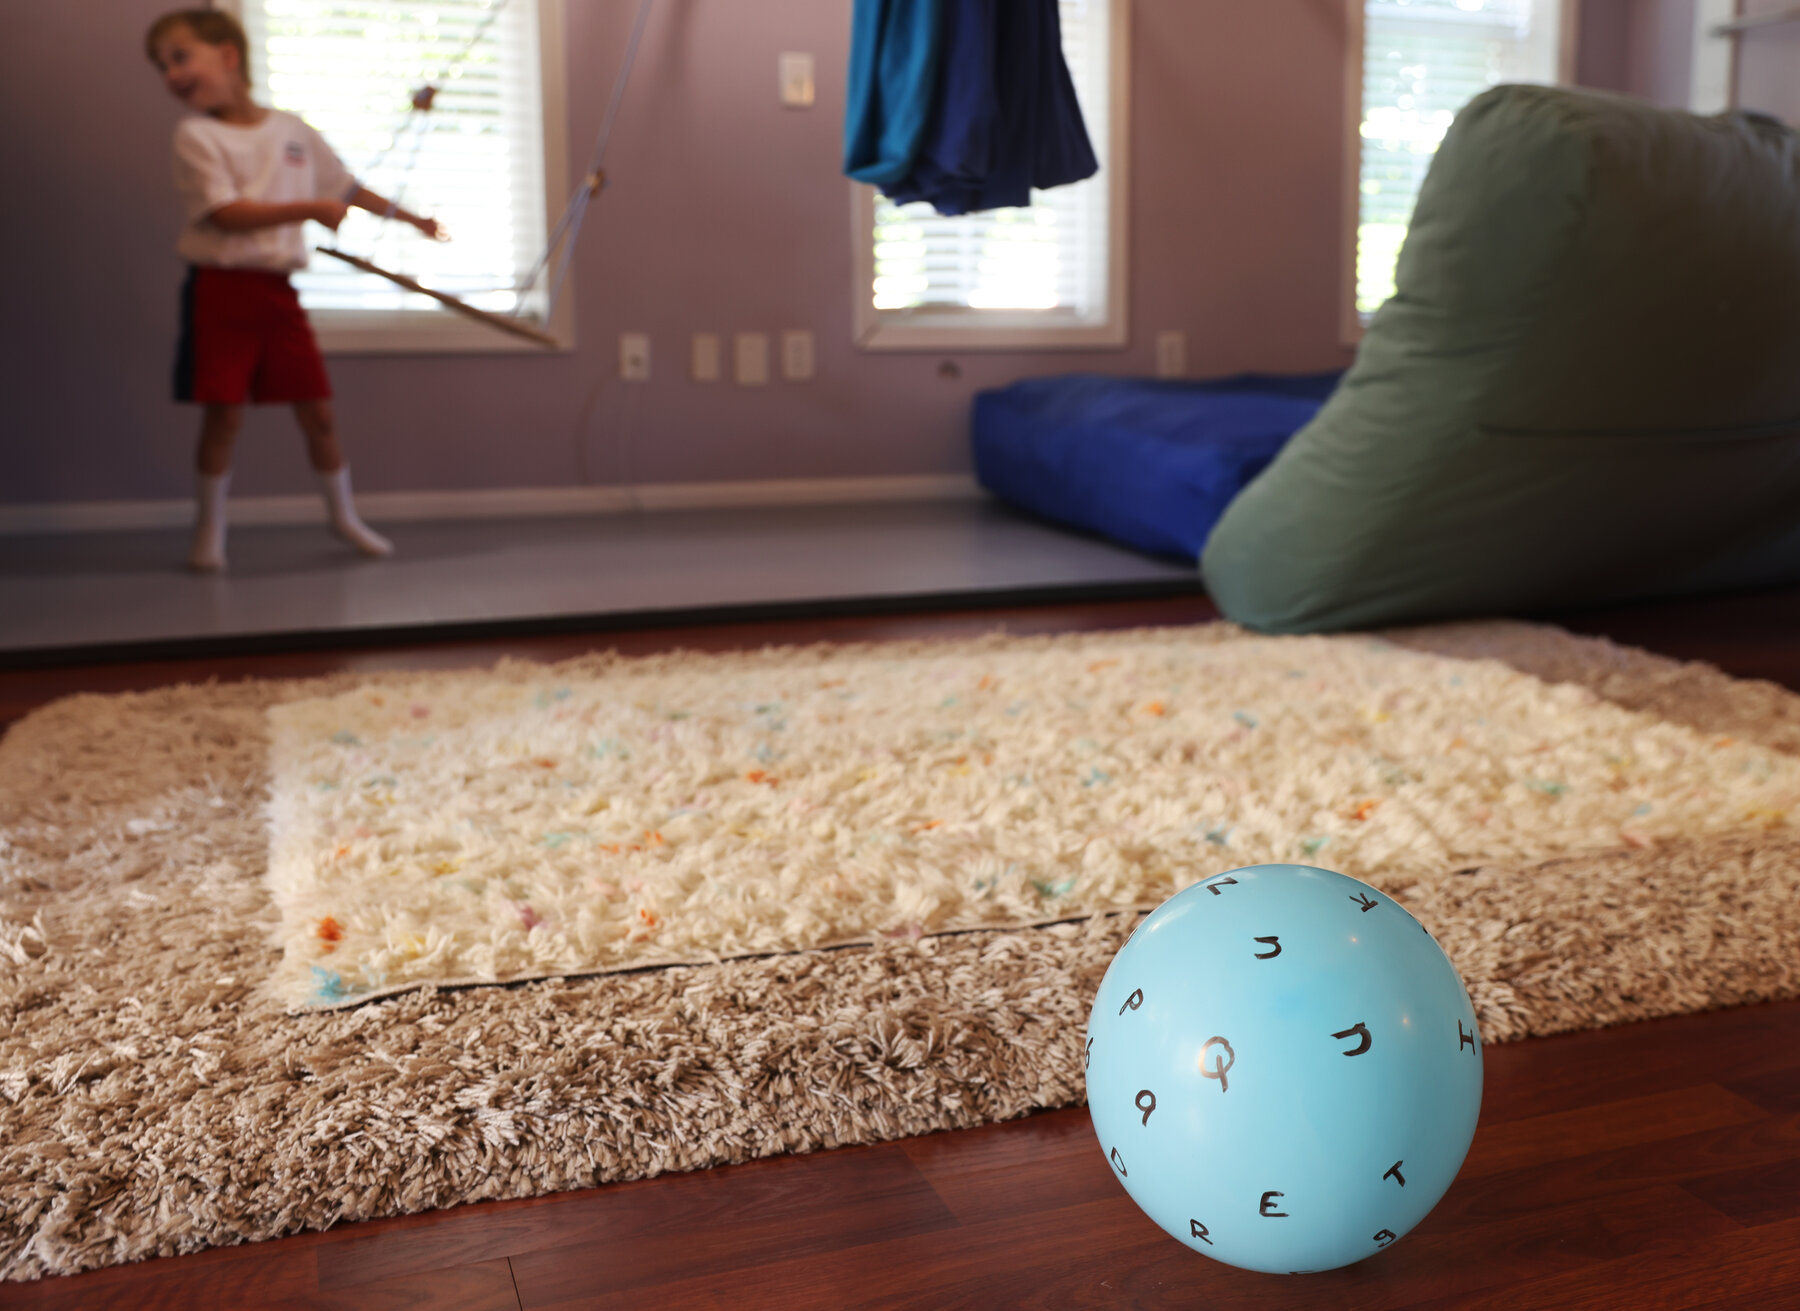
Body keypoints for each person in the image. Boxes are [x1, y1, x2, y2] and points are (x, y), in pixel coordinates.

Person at [145, 9, 442, 570]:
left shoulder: (293, 131)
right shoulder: (196, 135)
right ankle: (209, 533)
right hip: (220, 294)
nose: (171, 74)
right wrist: (310, 208)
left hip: (278, 296)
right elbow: (225, 214)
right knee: (224, 415)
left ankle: (343, 518)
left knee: (318, 413)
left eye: (179, 57)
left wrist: (414, 221)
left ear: (228, 54)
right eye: (163, 66)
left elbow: (347, 187)